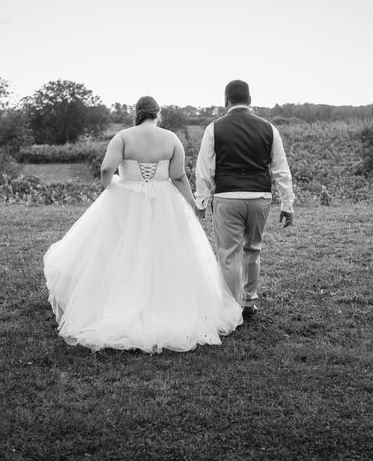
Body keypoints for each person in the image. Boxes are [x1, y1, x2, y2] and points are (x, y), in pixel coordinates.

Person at [43, 96, 243, 353]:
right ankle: (168, 306)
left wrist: (110, 186)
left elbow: (106, 169)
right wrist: (194, 205)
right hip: (165, 203)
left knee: (122, 250)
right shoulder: (171, 139)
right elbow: (178, 175)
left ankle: (118, 300)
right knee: (166, 253)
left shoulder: (123, 137)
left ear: (137, 113)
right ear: (157, 114)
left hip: (126, 200)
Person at [195, 80, 295, 319]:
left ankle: (231, 308)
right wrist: (287, 203)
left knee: (228, 254)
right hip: (259, 196)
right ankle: (248, 301)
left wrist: (201, 202)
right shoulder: (269, 128)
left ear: (226, 100)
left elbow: (204, 169)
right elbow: (281, 169)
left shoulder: (214, 128)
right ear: (250, 100)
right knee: (253, 249)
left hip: (226, 196)